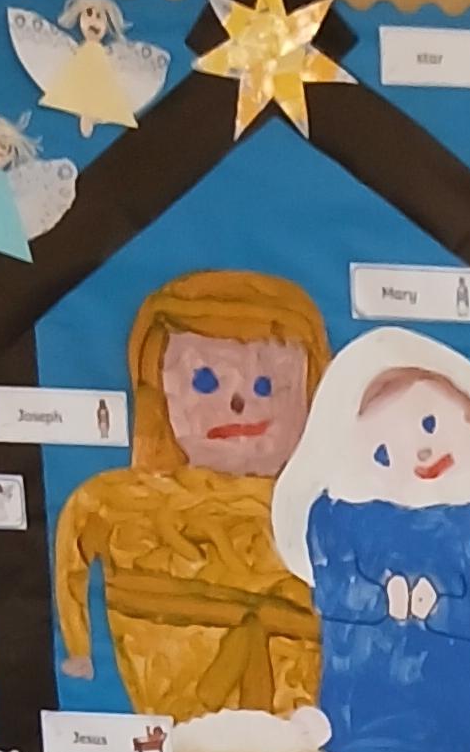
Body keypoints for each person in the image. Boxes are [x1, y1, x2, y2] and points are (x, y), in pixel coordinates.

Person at [50, 268, 327, 722]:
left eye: (265, 387)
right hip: (167, 702)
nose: (239, 403)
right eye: (205, 382)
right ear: (159, 390)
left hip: (300, 711)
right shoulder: (122, 501)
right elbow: (72, 558)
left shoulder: (324, 515)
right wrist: (78, 648)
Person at [267, 333, 470, 752]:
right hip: (364, 689)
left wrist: (440, 605)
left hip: (447, 692)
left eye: (429, 423)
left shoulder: (465, 522)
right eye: (383, 452)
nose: (420, 454)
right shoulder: (337, 516)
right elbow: (332, 590)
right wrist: (380, 598)